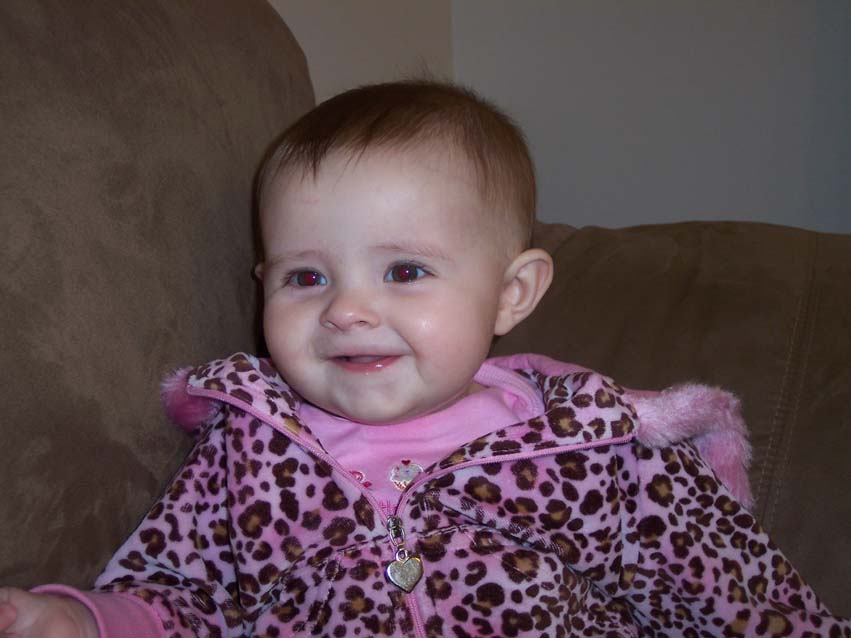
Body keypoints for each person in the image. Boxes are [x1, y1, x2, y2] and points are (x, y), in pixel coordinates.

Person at [1, 81, 848, 638]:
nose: (346, 309)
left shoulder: (593, 443)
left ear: (511, 294)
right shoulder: (250, 449)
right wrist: (82, 620)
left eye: (404, 271)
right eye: (306, 277)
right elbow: (180, 596)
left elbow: (730, 595)